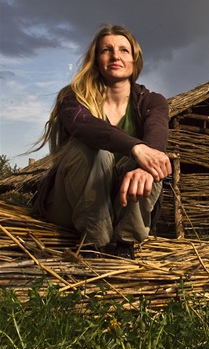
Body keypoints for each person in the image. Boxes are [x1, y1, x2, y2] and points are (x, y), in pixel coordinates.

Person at [31, 24, 171, 259]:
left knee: (155, 160)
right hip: (71, 206)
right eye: (107, 50)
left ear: (135, 60)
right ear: (96, 59)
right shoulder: (73, 97)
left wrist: (148, 163)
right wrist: (136, 147)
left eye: (124, 50)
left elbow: (157, 132)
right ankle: (95, 243)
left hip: (122, 207)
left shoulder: (153, 101)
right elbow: (85, 126)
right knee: (97, 150)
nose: (116, 56)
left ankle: (125, 242)